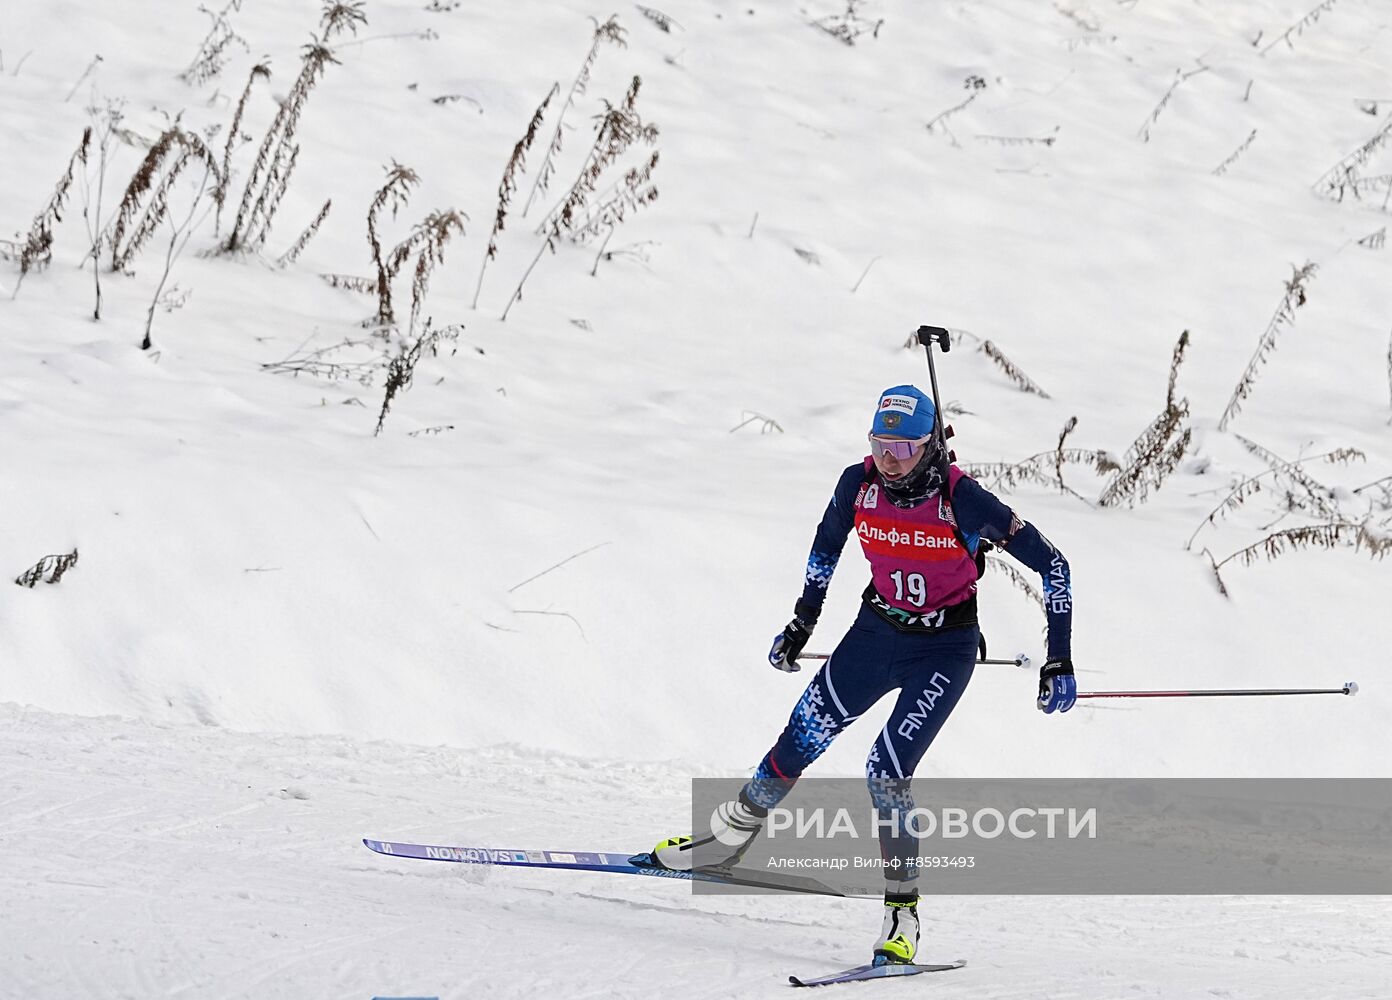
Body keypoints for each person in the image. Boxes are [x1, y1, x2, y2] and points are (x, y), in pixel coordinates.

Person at [652, 384, 1076, 966]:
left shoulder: (963, 498)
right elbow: (824, 551)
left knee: (885, 769)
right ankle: (726, 841)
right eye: (881, 443)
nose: (890, 457)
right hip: (875, 634)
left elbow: (1054, 564)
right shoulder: (858, 484)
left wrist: (1059, 657)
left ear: (931, 444)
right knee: (799, 738)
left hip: (943, 649)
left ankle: (903, 913)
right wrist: (802, 624)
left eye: (904, 447)